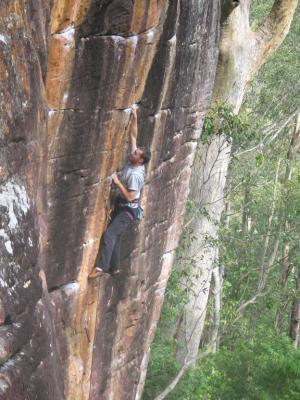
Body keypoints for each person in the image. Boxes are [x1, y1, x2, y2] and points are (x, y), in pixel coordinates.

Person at [88, 107, 151, 278]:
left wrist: (116, 182)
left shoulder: (136, 175)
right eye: (135, 151)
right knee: (117, 235)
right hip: (122, 205)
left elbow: (130, 196)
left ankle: (101, 268)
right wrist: (135, 116)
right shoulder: (135, 160)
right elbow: (133, 136)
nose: (133, 153)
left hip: (128, 210)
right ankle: (115, 267)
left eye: (136, 154)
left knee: (110, 234)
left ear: (141, 161)